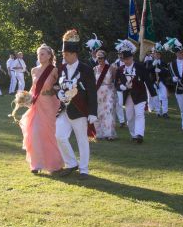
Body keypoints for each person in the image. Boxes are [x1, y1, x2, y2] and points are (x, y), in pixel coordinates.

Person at [56, 29, 98, 179]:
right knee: (59, 135)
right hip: (64, 109)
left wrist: (93, 112)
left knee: (82, 140)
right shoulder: (62, 68)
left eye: (66, 54)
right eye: (63, 54)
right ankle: (71, 163)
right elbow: (58, 86)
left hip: (80, 110)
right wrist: (59, 93)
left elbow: (92, 91)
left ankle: (84, 169)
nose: (64, 56)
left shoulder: (86, 69)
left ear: (74, 54)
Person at [19, 43, 63, 174]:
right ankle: (36, 164)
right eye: (38, 54)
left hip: (49, 106)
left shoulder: (54, 70)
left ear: (49, 56)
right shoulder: (34, 70)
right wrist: (25, 97)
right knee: (34, 133)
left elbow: (60, 86)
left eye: (42, 54)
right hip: (36, 106)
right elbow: (33, 88)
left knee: (48, 135)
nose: (40, 56)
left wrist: (52, 91)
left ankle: (53, 164)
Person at [115, 40, 156, 144]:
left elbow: (147, 80)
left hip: (140, 95)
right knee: (129, 117)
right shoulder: (120, 70)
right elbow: (116, 84)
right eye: (125, 59)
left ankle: (139, 135)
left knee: (139, 114)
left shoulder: (140, 67)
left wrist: (153, 94)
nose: (126, 61)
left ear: (132, 57)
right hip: (127, 96)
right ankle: (133, 134)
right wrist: (122, 87)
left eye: (128, 58)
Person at [93, 49, 117, 140]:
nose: (100, 60)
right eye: (98, 58)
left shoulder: (111, 68)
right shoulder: (94, 69)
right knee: (99, 112)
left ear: (105, 58)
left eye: (101, 58)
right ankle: (99, 133)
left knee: (108, 111)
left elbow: (115, 80)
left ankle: (109, 134)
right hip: (98, 93)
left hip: (109, 92)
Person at [150, 44, 170, 118]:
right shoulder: (150, 62)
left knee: (164, 97)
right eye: (156, 54)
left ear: (160, 55)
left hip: (162, 82)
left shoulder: (163, 63)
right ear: (154, 54)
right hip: (154, 82)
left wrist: (161, 70)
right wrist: (153, 65)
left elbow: (167, 72)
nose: (157, 55)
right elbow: (147, 70)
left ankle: (165, 112)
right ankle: (158, 111)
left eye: (158, 54)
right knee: (156, 97)